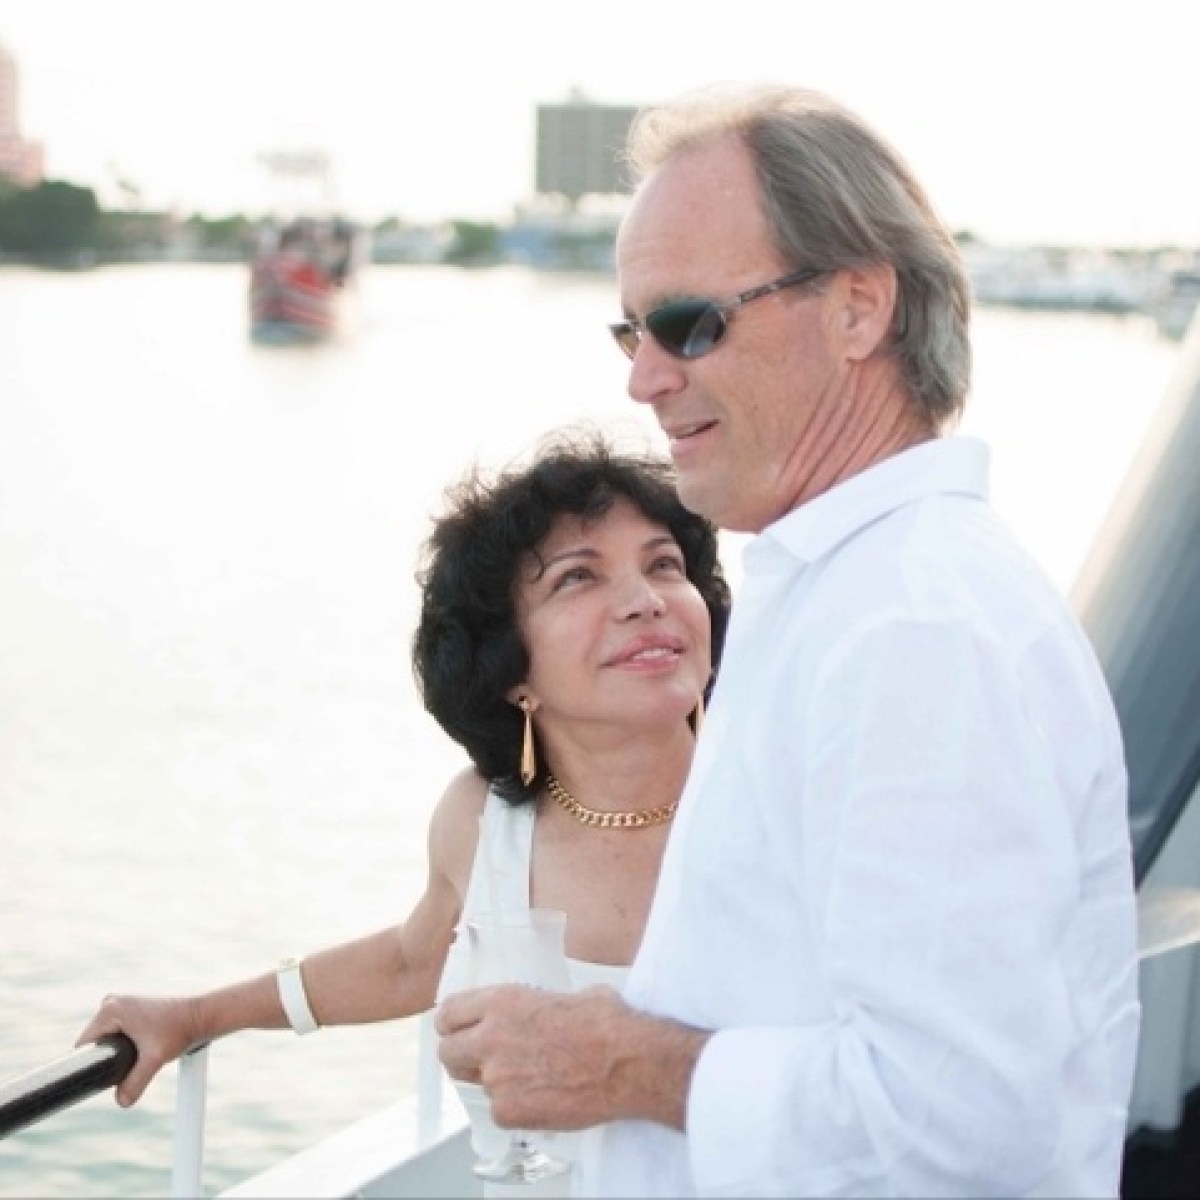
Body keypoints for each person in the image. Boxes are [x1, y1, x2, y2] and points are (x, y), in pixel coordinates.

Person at [435, 84, 1142, 1198]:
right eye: (630, 330)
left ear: (859, 308)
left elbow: (966, 1118)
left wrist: (620, 1062)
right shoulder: (849, 592)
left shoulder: (913, 630)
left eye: (687, 324)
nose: (642, 375)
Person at [75, 427, 731, 1196]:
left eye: (665, 565)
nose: (646, 601)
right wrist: (196, 1015)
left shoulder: (777, 800)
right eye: (578, 579)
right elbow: (411, 960)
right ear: (511, 671)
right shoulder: (482, 821)